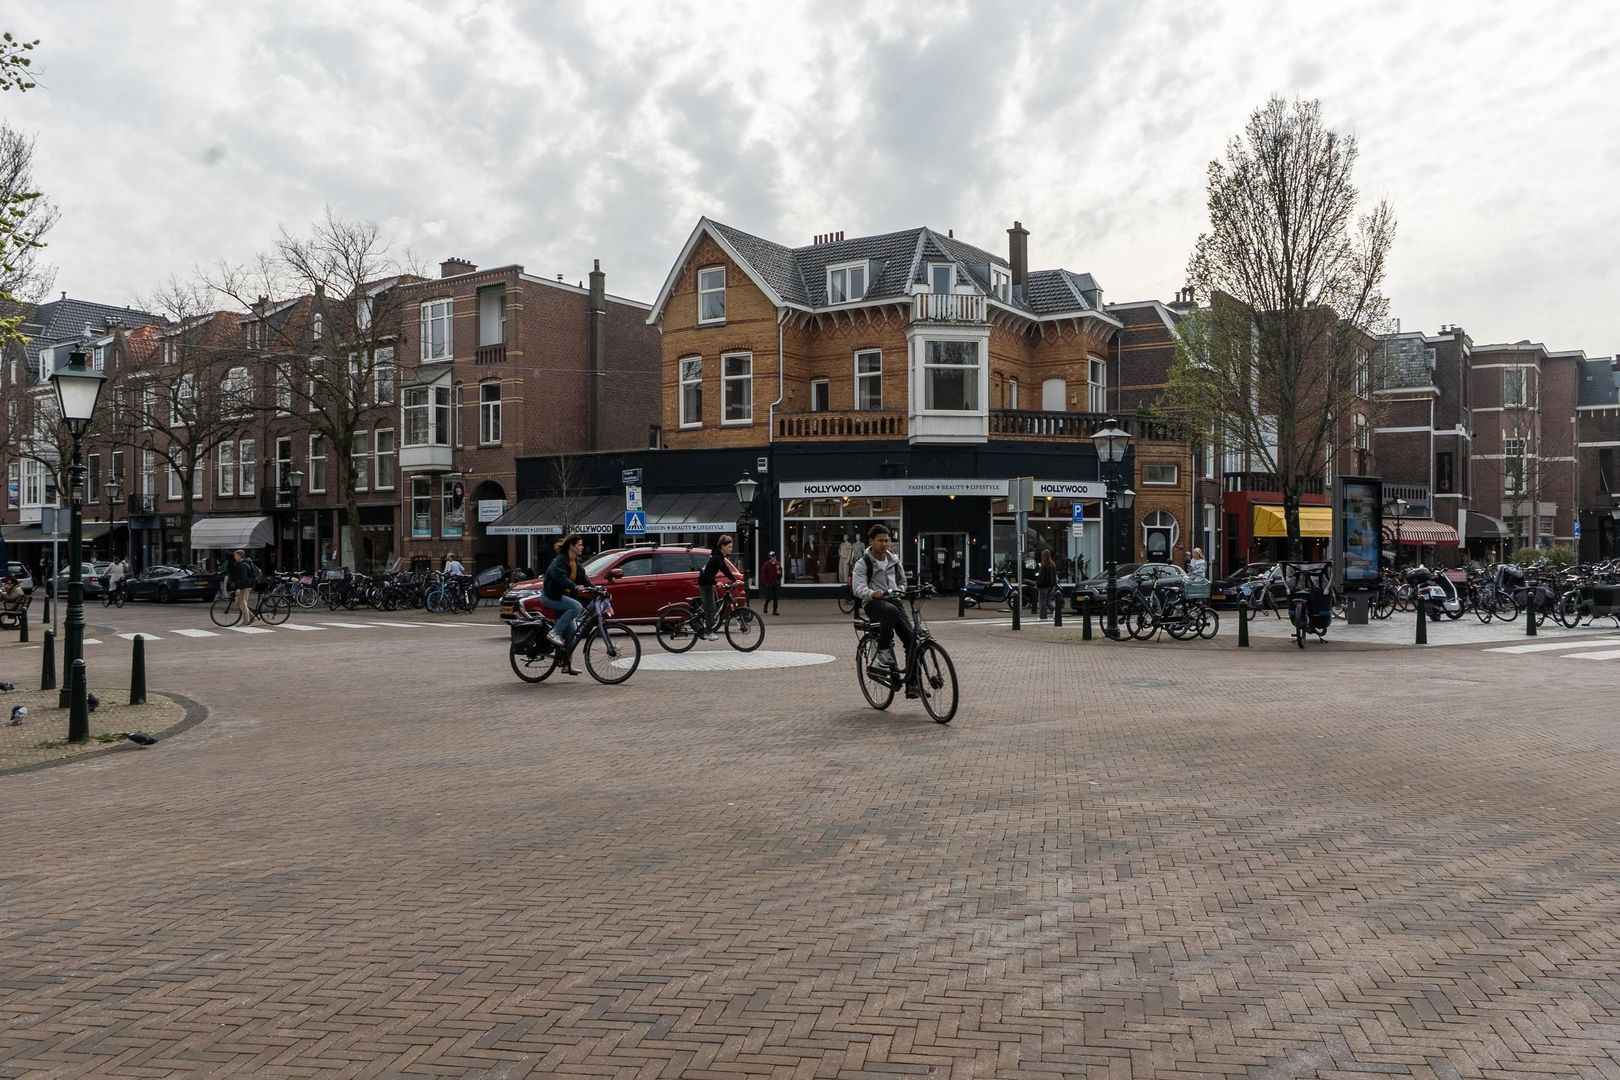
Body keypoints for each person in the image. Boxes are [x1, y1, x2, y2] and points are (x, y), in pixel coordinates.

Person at [851, 523, 917, 697]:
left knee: (912, 640)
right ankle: (883, 649)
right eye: (881, 540)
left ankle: (913, 685)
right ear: (871, 541)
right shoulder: (863, 563)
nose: (885, 544)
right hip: (873, 603)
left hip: (893, 600)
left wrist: (900, 590)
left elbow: (902, 581)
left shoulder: (894, 560)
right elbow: (857, 588)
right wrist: (873, 593)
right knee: (889, 611)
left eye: (887, 540)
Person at [542, 533, 590, 676]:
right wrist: (574, 586)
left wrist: (598, 589)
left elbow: (585, 580)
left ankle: (566, 664)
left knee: (573, 633)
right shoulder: (560, 561)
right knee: (576, 606)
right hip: (551, 597)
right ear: (572, 546)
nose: (582, 547)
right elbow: (560, 577)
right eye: (580, 545)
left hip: (562, 599)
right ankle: (554, 632)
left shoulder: (576, 563)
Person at [698, 535, 739, 638]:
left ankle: (702, 626)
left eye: (731, 546)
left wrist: (734, 580)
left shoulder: (720, 557)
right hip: (705, 583)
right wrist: (716, 583)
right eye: (729, 546)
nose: (731, 548)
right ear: (723, 546)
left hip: (709, 582)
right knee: (711, 608)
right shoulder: (716, 558)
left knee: (714, 606)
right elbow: (706, 574)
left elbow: (725, 570)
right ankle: (708, 632)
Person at [227, 548, 258, 625]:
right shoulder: (241, 564)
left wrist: (238, 588)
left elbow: (243, 578)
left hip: (245, 586)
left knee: (242, 603)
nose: (234, 557)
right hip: (243, 585)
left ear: (240, 556)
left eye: (236, 556)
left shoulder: (244, 565)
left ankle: (246, 620)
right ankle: (251, 616)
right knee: (238, 602)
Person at [1036, 550, 1058, 620]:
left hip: (1044, 585)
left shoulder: (1044, 565)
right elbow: (1054, 575)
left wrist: (1038, 584)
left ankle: (1043, 616)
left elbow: (1041, 577)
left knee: (1042, 601)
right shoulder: (1053, 564)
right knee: (1048, 600)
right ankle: (1056, 610)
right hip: (1052, 585)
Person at [760, 551, 783, 615]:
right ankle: (765, 605)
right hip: (769, 583)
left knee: (776, 597)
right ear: (770, 557)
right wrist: (766, 582)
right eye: (772, 557)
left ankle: (774, 610)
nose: (773, 558)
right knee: (769, 596)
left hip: (776, 582)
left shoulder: (778, 563)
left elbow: (780, 571)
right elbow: (763, 574)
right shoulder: (766, 564)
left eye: (774, 556)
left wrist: (779, 574)